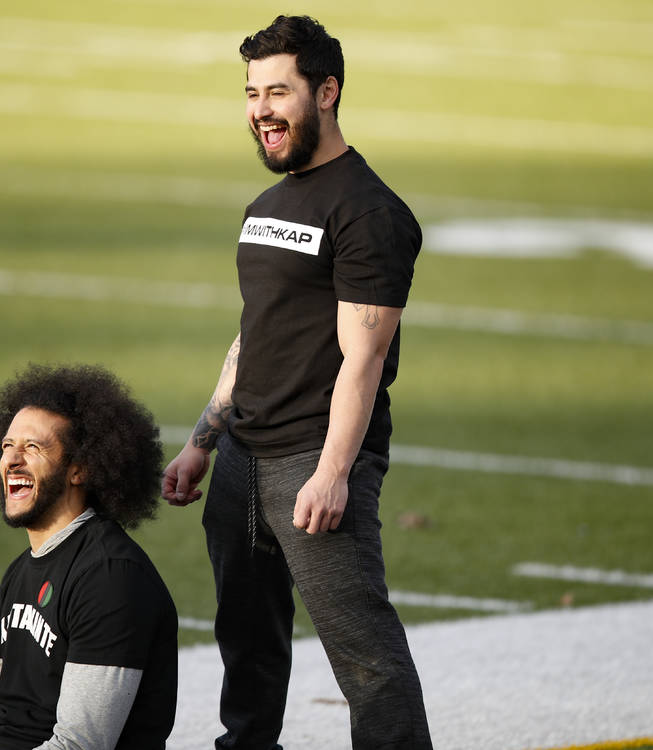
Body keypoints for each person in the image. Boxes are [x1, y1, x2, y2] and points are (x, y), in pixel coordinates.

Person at [161, 15, 432, 750]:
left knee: (365, 658)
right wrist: (202, 442)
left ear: (327, 91)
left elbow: (363, 359)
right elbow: (257, 330)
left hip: (312, 461)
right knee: (247, 643)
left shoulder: (368, 211)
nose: (261, 111)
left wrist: (335, 471)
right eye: (251, 93)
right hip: (243, 460)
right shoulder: (268, 206)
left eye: (278, 91)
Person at [0, 364, 178, 750]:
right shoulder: (21, 571)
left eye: (33, 447)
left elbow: (80, 744)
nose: (12, 460)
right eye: (7, 446)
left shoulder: (111, 577)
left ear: (79, 470)